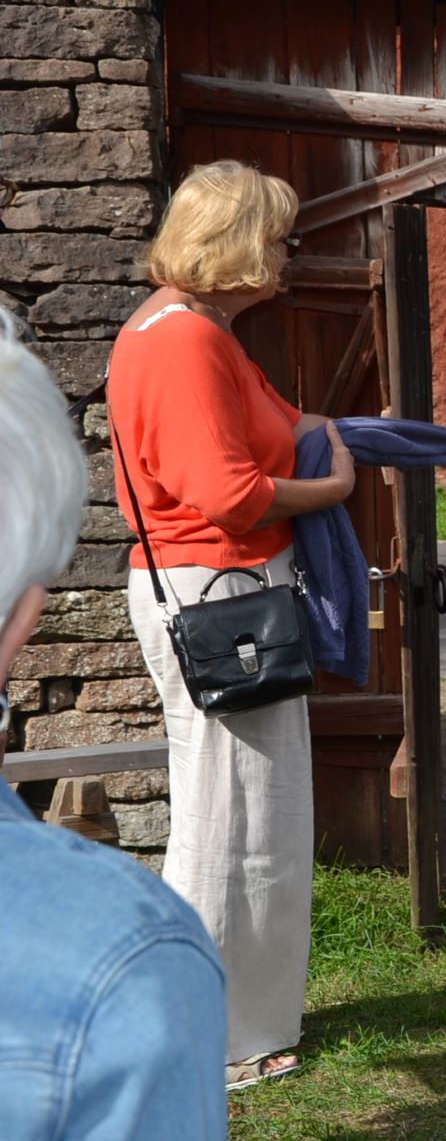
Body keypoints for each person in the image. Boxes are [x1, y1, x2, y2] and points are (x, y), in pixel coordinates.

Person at [107, 160, 356, 1090]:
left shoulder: (196, 329)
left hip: (222, 588)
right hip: (220, 590)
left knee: (247, 809)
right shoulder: (184, 340)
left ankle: (228, 1020)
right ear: (240, 243)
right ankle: (211, 1036)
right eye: (279, 237)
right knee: (231, 820)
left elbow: (286, 424)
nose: (288, 254)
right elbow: (229, 493)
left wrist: (345, 432)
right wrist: (334, 486)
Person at [0, 314, 228, 1139]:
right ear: (27, 614)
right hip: (205, 587)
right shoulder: (115, 964)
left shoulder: (145, 333)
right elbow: (222, 489)